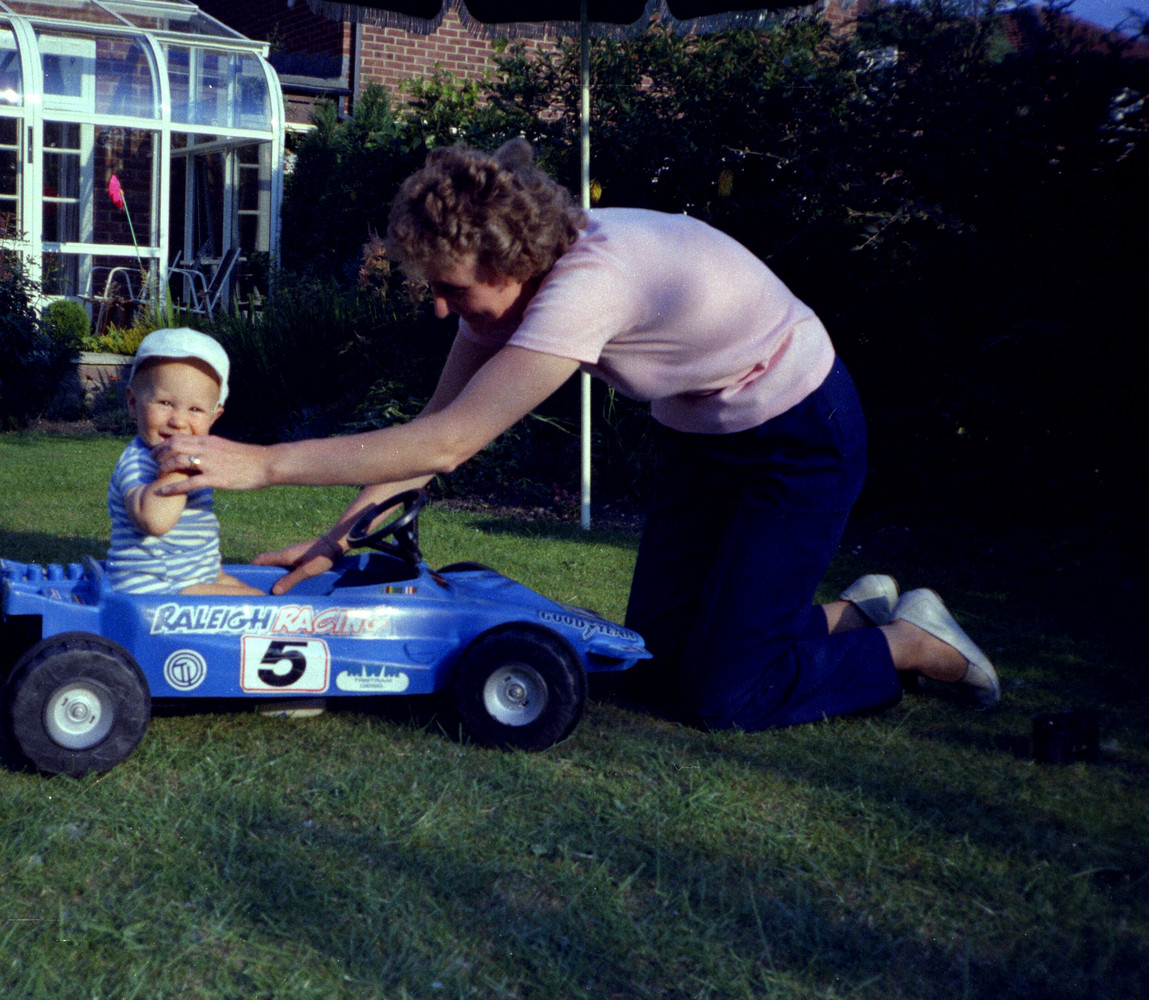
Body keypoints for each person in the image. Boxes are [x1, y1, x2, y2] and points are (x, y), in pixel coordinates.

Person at [154, 140, 999, 731]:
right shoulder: (506, 294)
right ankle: (852, 614)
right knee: (650, 661)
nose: (440, 309)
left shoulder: (588, 287)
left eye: (450, 289)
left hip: (798, 435)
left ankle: (911, 643)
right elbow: (428, 437)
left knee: (724, 698)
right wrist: (336, 543)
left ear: (509, 264)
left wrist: (260, 465)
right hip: (701, 441)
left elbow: (447, 446)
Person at [106, 328, 261, 596]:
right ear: (132, 402)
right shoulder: (140, 461)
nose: (178, 421)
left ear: (214, 417)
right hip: (156, 587)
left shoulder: (192, 460)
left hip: (193, 574)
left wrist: (214, 570)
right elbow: (155, 521)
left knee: (260, 596)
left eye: (195, 409)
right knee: (263, 607)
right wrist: (178, 466)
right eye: (165, 403)